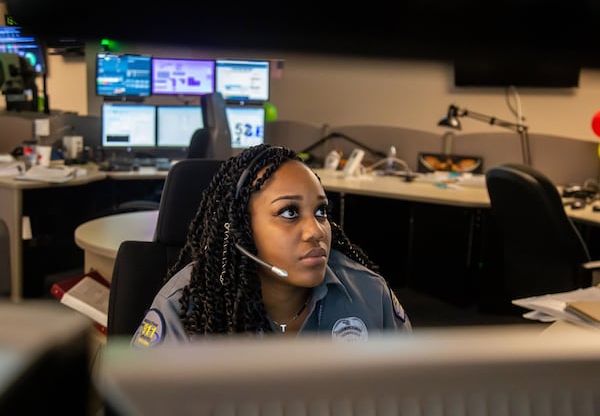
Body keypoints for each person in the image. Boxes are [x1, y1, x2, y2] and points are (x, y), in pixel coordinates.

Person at [132, 144, 411, 347]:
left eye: (321, 212)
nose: (315, 231)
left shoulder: (370, 293)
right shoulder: (186, 308)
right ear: (242, 231)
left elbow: (412, 393)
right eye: (289, 212)